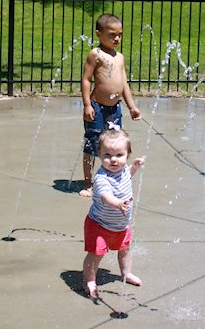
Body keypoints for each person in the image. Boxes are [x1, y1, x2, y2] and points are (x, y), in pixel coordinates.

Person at [80, 13, 141, 197]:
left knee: (115, 144)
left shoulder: (119, 57)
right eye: (112, 34)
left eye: (120, 34)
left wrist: (131, 107)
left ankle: (113, 179)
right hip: (97, 107)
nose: (117, 38)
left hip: (114, 109)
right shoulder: (95, 54)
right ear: (99, 34)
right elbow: (86, 80)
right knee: (93, 144)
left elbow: (124, 84)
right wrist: (87, 105)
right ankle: (89, 183)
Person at [82, 128, 144, 299]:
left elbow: (126, 176)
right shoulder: (102, 178)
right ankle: (90, 280)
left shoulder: (123, 170)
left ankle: (126, 273)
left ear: (127, 154)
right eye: (107, 155)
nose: (113, 160)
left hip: (121, 225)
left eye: (119, 155)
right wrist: (117, 203)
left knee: (125, 249)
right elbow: (105, 196)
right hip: (100, 225)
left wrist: (134, 168)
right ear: (99, 155)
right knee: (96, 254)